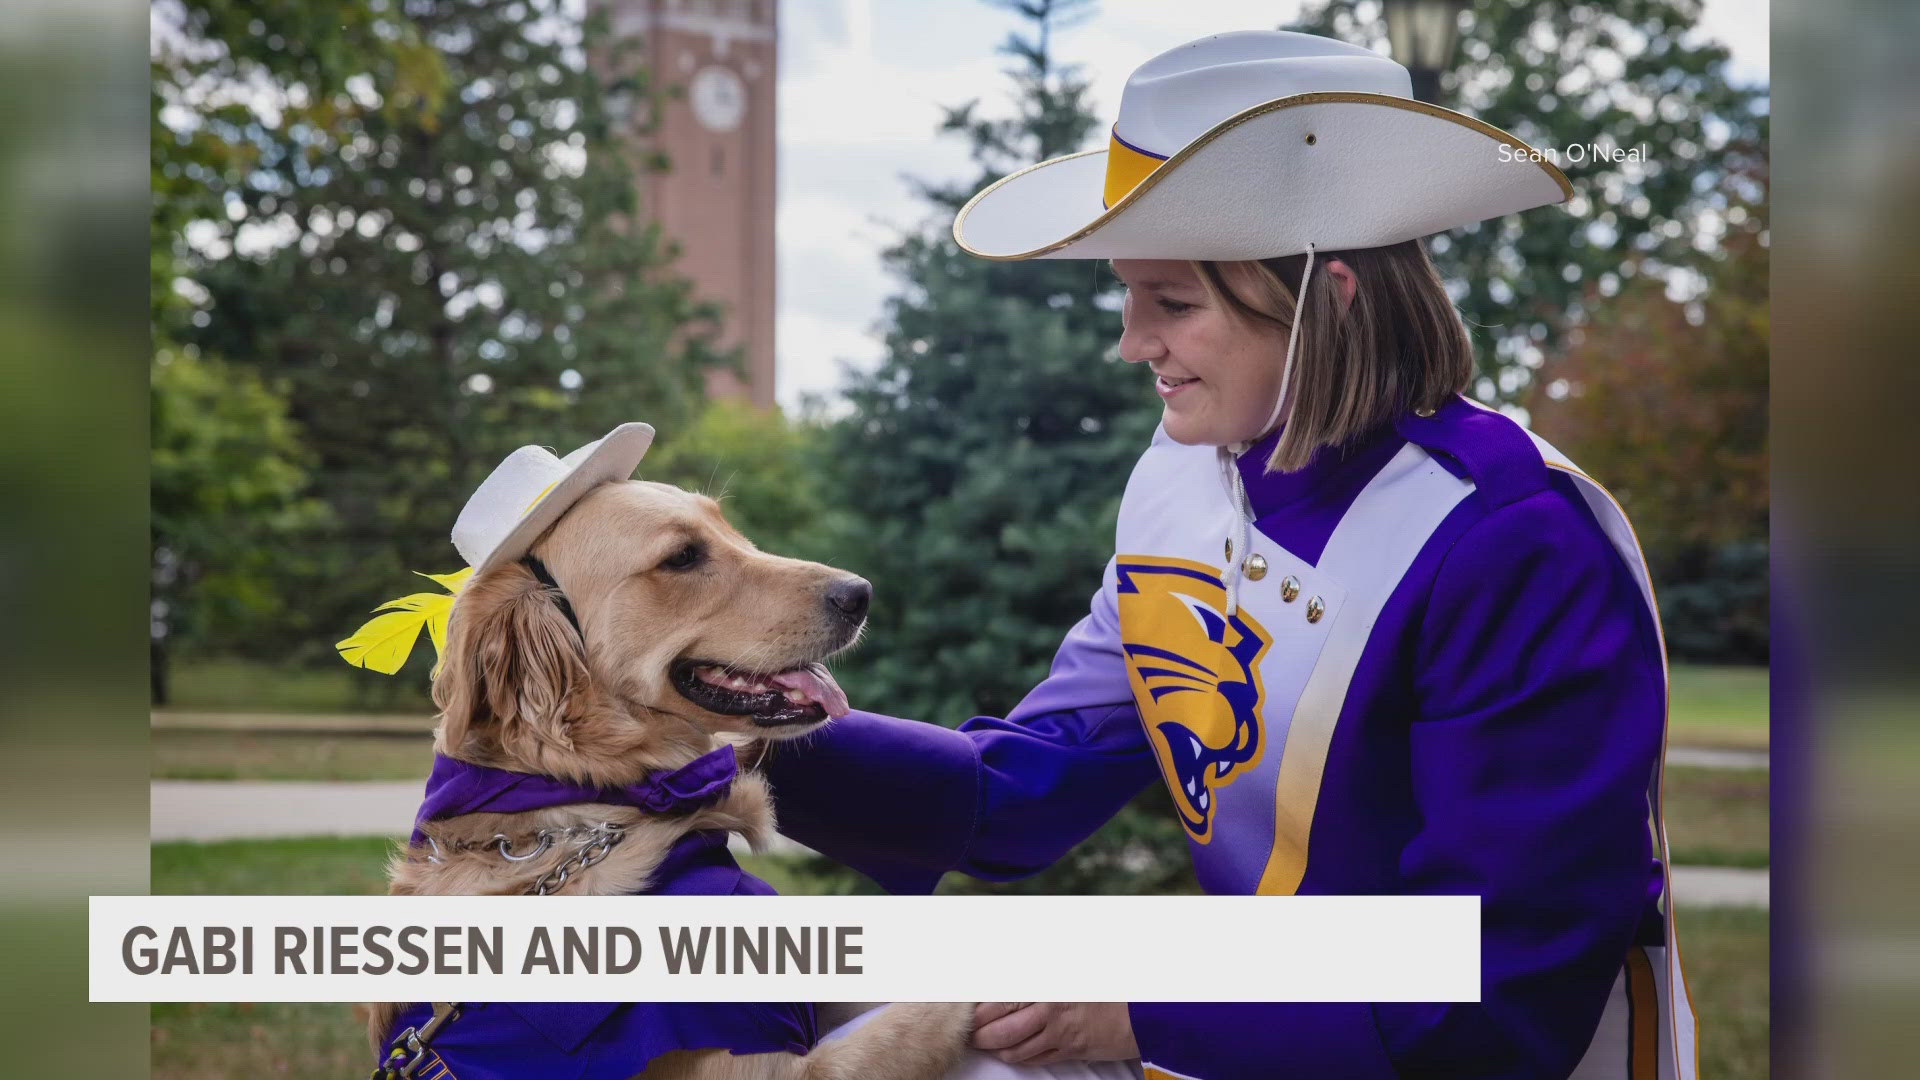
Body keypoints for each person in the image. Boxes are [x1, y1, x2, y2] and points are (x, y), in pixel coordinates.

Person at [765, 30, 1699, 1080]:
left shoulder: (1515, 538)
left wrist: (1141, 1016)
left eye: (1171, 302)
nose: (1131, 342)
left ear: (1330, 298)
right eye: (1128, 296)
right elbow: (1023, 792)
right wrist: (743, 733)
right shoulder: (1180, 478)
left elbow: (1495, 997)